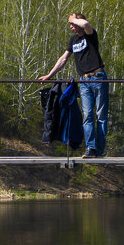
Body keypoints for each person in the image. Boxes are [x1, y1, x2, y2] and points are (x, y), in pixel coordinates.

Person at [39, 13, 107, 158]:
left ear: (78, 21)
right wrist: (49, 75)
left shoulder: (90, 35)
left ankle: (100, 150)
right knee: (87, 115)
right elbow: (63, 59)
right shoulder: (73, 40)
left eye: (72, 23)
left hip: (98, 77)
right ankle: (91, 148)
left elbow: (87, 25)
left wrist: (75, 19)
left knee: (100, 115)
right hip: (83, 81)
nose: (70, 26)